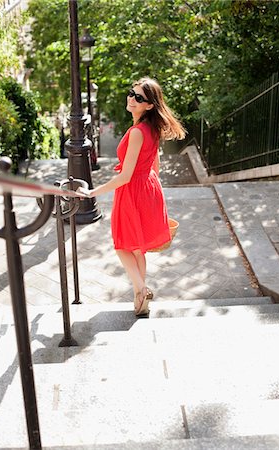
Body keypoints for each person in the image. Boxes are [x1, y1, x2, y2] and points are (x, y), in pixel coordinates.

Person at [77, 77, 185, 316]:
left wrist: (93, 192)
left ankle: (141, 288)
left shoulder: (137, 132)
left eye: (139, 98)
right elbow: (155, 164)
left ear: (149, 105)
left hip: (133, 190)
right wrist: (152, 189)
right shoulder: (152, 128)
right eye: (131, 93)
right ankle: (140, 300)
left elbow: (125, 176)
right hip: (148, 187)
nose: (132, 99)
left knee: (122, 244)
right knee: (138, 249)